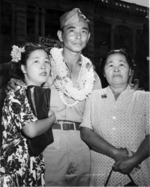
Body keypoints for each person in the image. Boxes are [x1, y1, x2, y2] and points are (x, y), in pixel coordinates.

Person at [7, 8, 102, 186]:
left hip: (81, 144)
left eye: (84, 32)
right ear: (60, 35)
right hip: (49, 142)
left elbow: (98, 118)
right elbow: (26, 86)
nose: (78, 36)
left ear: (88, 37)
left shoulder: (92, 75)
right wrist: (17, 84)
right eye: (72, 31)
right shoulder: (46, 65)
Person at [80, 49, 150, 186]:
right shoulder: (93, 97)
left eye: (122, 65)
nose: (116, 69)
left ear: (130, 71)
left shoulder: (146, 98)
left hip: (138, 170)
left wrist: (134, 160)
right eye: (110, 65)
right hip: (101, 172)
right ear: (104, 73)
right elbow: (86, 132)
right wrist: (116, 153)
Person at [0, 43, 56, 187]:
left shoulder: (37, 94)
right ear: (23, 68)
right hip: (15, 169)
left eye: (46, 62)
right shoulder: (18, 92)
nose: (43, 66)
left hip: (31, 165)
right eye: (36, 61)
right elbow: (31, 130)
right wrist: (52, 119)